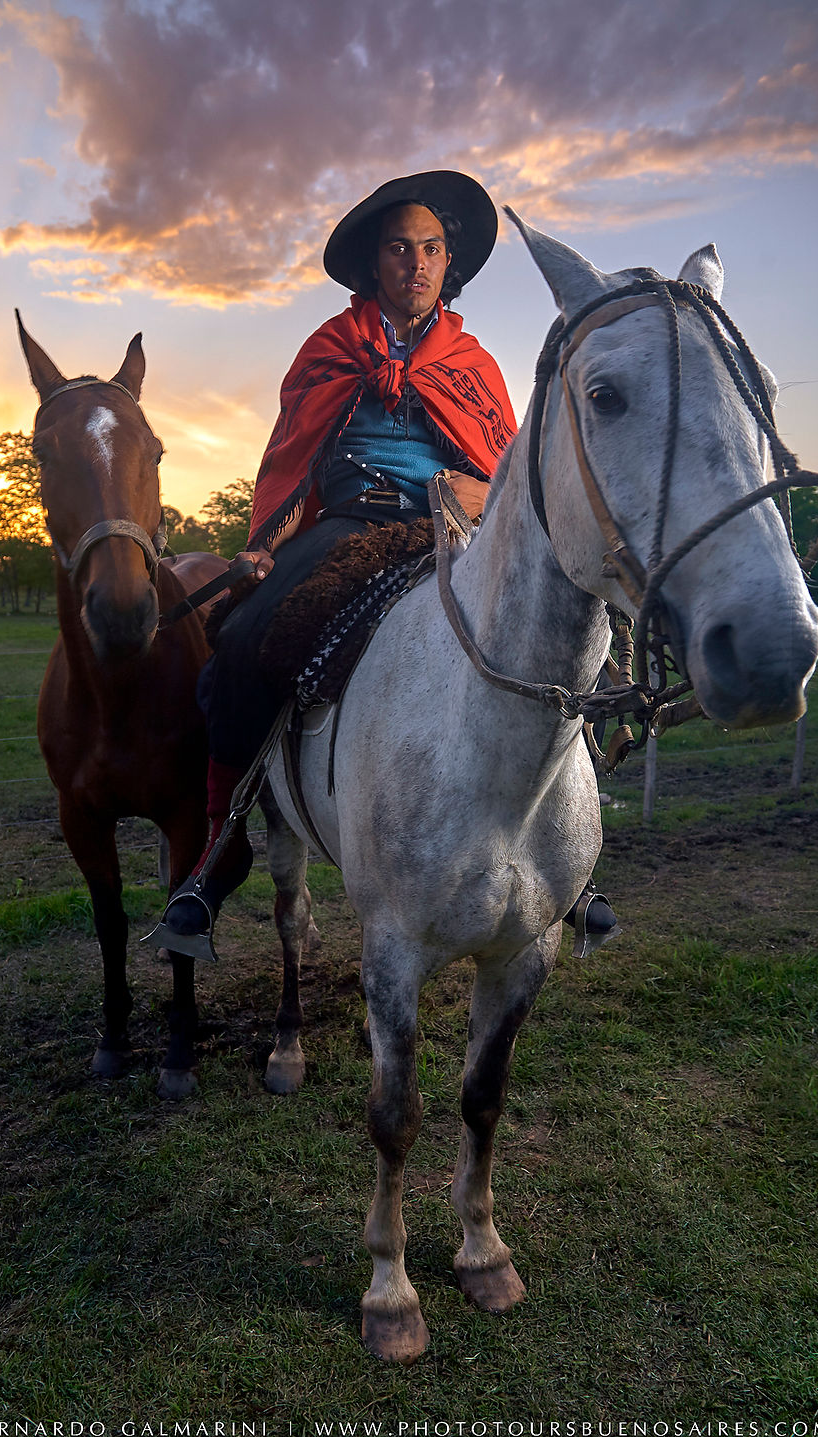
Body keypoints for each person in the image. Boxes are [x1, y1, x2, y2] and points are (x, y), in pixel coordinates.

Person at [161, 171, 519, 950]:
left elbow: (504, 469)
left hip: (454, 526)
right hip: (349, 524)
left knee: (544, 624)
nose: (416, 264)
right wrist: (264, 548)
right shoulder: (330, 347)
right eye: (399, 249)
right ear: (375, 263)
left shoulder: (475, 364)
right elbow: (295, 459)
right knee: (246, 639)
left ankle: (572, 856)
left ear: (447, 262)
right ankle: (219, 851)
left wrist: (480, 491)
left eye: (431, 248)